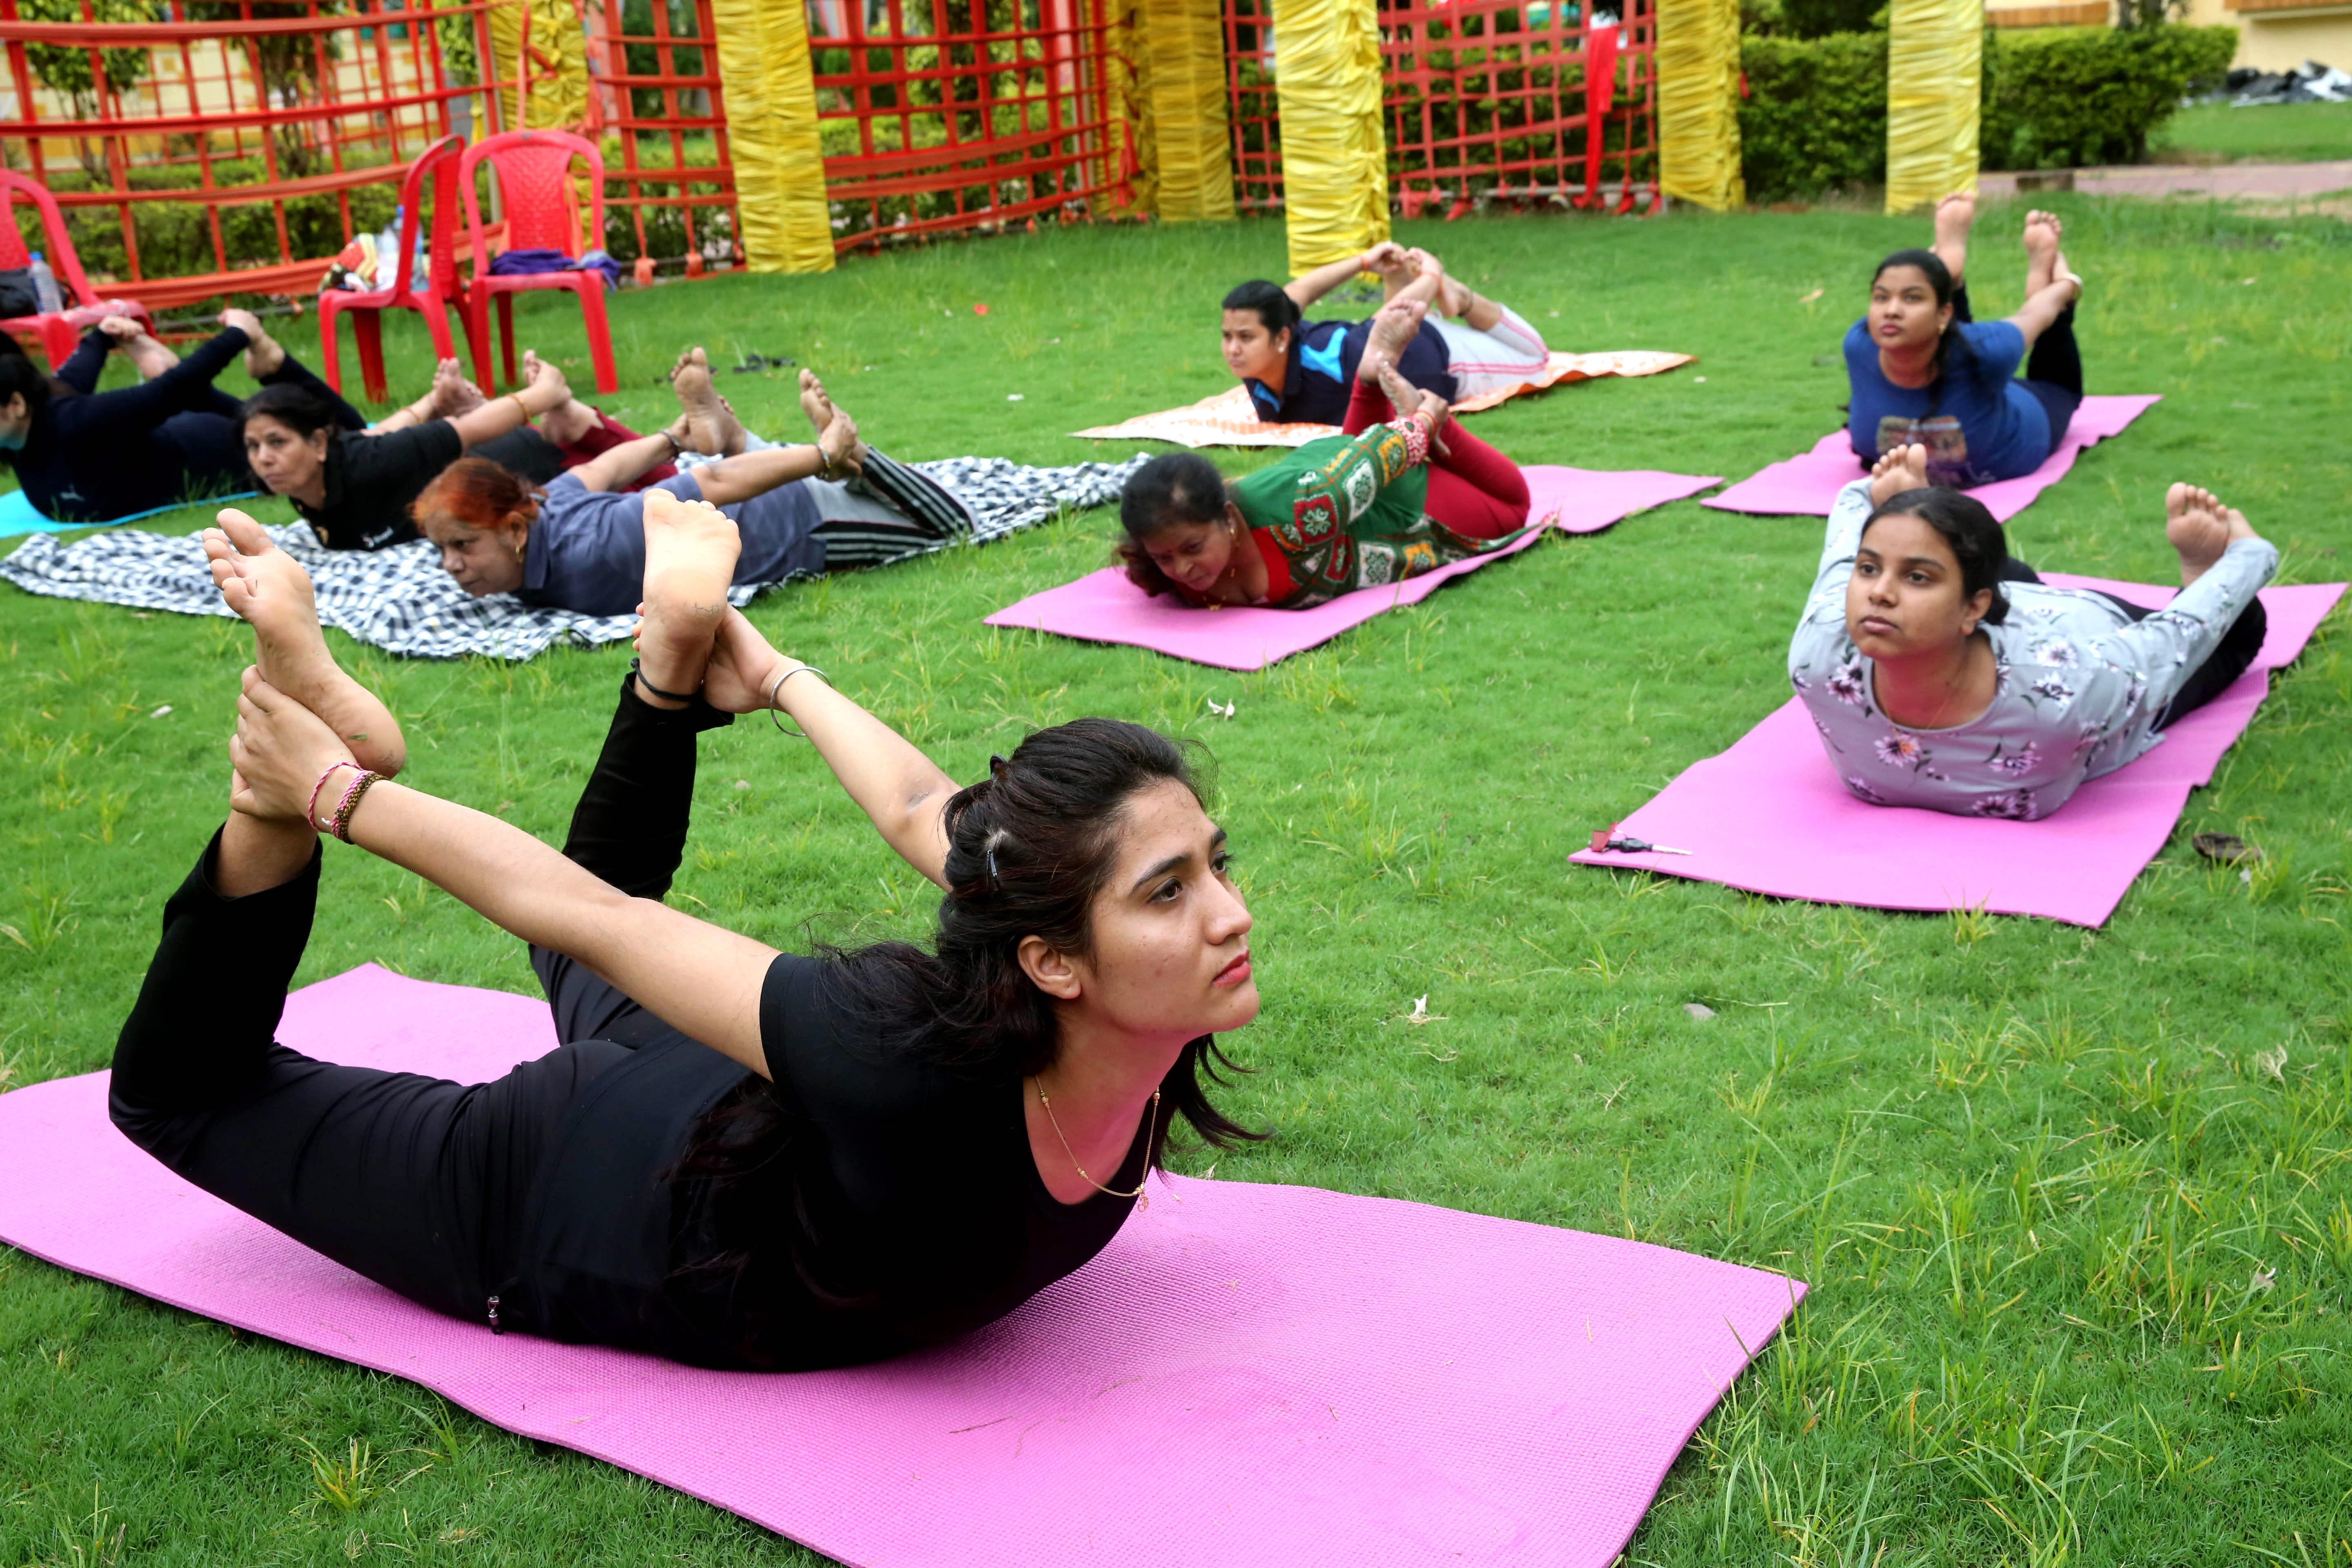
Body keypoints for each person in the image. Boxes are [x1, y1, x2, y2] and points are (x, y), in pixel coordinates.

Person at [108, 494, 1263, 1372]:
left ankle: (669, 664)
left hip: (735, 1108)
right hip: (563, 1194)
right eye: (1169, 890)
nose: (1230, 913)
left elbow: (926, 814)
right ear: (1052, 960)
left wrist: (775, 675)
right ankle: (269, 807)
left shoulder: (1095, 1003)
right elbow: (583, 910)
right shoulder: (899, 1063)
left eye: (1211, 866)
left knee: (599, 938)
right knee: (181, 1093)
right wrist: (332, 798)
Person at [1789, 442, 2276, 821]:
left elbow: (2175, 638)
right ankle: (1924, 527)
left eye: (1916, 577)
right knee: (1998, 573)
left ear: (1972, 609)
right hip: (1989, 603)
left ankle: (2197, 572)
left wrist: (2248, 556)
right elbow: (1839, 562)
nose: (1879, 593)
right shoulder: (1822, 654)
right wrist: (1867, 499)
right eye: (1871, 569)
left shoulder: (2066, 696)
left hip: (2079, 627)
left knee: (2241, 628)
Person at [415, 369, 976, 614]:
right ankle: (757, 442)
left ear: (515, 530)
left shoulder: (598, 547)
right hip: (769, 494)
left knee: (952, 524)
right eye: (443, 550)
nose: (451, 566)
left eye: (463, 545)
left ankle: (846, 454)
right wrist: (671, 438)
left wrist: (819, 455)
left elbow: (711, 482)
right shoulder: (545, 506)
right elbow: (604, 469)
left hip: (804, 527)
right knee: (903, 501)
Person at [1122, 302, 1536, 610]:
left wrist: (1426, 420)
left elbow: (1379, 456)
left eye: (1193, 548)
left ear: (1229, 519)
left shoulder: (1309, 509)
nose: (1182, 570)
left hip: (1395, 494)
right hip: (1335, 463)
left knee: (1516, 506)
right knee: (1351, 466)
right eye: (1165, 558)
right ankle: (1371, 376)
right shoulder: (1158, 559)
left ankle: (1396, 396)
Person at [238, 346, 718, 552]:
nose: (264, 459)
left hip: (523, 466)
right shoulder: (310, 483)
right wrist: (430, 400)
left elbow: (456, 433)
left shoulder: (369, 464)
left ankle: (677, 438)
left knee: (673, 499)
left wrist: (539, 396)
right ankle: (586, 423)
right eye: (254, 446)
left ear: (319, 443)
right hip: (487, 478)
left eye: (277, 443)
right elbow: (377, 434)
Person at [0, 310, 354, 524]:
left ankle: (274, 363)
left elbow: (169, 392)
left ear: (16, 405)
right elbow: (64, 384)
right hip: (175, 434)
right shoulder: (26, 429)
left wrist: (239, 335)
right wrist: (102, 338)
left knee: (349, 442)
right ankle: (191, 377)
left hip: (210, 446)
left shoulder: (76, 421)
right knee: (181, 394)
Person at [1844, 195, 2086, 489]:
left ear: (1945, 311)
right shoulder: (1860, 346)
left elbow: (2034, 315)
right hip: (1968, 372)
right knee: (1955, 346)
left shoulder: (1991, 349)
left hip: (2021, 420)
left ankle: (2039, 280)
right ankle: (1947, 274)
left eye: (1912, 297)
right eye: (1881, 297)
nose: (1891, 310)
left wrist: (2066, 285)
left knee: (2058, 385)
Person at [1221, 241, 1550, 425]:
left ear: (1281, 339)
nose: (1233, 349)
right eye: (1228, 336)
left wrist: (1432, 276)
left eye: (1245, 338)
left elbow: (1390, 322)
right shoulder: (1266, 351)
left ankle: (1461, 297)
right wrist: (1364, 261)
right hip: (1402, 339)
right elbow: (1299, 291)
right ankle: (1401, 278)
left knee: (1537, 360)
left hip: (1445, 358)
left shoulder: (1333, 357)